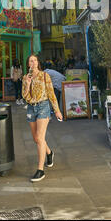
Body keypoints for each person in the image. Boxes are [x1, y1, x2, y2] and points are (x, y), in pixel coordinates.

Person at [22, 55, 63, 183]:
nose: (33, 63)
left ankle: (40, 170)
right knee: (36, 138)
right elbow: (24, 96)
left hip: (43, 107)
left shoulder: (45, 76)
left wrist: (57, 110)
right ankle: (49, 153)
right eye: (30, 61)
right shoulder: (25, 77)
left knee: (40, 137)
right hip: (30, 108)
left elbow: (51, 94)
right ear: (28, 64)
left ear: (38, 63)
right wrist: (28, 84)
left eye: (34, 60)